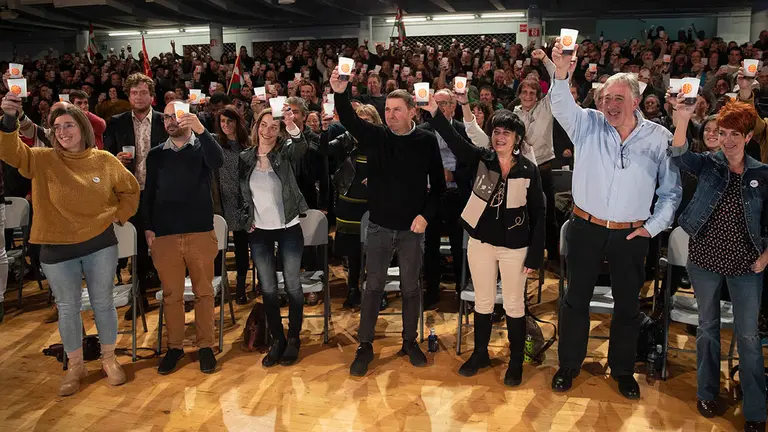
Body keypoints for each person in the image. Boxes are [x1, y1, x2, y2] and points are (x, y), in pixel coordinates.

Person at [549, 37, 682, 399]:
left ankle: (623, 370)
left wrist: (651, 229)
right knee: (575, 300)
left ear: (636, 102)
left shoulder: (659, 138)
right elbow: (561, 106)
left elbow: (671, 193)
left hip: (631, 235)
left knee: (626, 305)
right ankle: (569, 365)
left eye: (618, 98)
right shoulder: (587, 124)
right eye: (606, 98)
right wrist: (561, 73)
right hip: (585, 227)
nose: (609, 104)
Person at [0, 95, 139, 395]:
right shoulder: (41, 159)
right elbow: (9, 151)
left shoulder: (105, 160)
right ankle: (75, 366)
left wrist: (119, 214)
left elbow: (130, 190)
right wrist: (9, 119)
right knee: (67, 308)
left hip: (100, 244)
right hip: (56, 248)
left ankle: (108, 359)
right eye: (57, 127)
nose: (62, 132)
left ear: (84, 127)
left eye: (69, 125)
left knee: (103, 304)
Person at [330, 68, 446, 378]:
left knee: (410, 288)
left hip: (411, 229)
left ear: (412, 112)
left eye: (396, 110)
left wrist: (425, 216)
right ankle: (364, 345)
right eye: (387, 110)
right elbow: (350, 119)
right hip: (379, 226)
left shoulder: (425, 140)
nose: (390, 115)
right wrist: (341, 91)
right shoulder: (376, 136)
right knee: (373, 288)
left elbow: (438, 187)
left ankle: (410, 341)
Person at [423, 95, 545, 386]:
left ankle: (515, 361)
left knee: (514, 305)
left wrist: (535, 255)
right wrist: (435, 113)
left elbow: (540, 213)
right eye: (497, 131)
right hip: (481, 242)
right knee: (483, 301)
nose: (500, 136)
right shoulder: (482, 158)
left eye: (507, 132)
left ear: (517, 139)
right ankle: (480, 353)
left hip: (516, 247)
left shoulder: (528, 169)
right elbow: (454, 140)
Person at [670, 98, 768, 432]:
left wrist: (767, 254)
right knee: (707, 328)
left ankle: (756, 409)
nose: (727, 140)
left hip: (746, 266)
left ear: (748, 137)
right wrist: (682, 119)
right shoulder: (710, 164)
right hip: (705, 260)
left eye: (734, 135)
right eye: (722, 133)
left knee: (748, 337)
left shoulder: (761, 174)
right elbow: (679, 155)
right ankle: (707, 392)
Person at [144, 101, 223, 375]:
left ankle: (205, 346)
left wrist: (202, 131)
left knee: (204, 292)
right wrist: (148, 227)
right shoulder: (156, 155)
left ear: (187, 117)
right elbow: (149, 192)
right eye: (165, 117)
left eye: (174, 116)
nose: (169, 121)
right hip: (165, 234)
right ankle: (174, 347)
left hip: (200, 231)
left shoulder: (202, 148)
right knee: (172, 296)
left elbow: (219, 162)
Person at [239, 106, 308, 368]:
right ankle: (276, 339)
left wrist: (291, 125)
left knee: (293, 287)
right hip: (260, 232)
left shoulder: (285, 153)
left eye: (273, 127)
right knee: (268, 289)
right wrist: (245, 222)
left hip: (289, 227)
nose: (268, 131)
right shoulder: (245, 158)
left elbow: (301, 147)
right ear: (256, 127)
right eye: (264, 125)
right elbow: (237, 195)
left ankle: (293, 338)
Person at [104, 73, 168, 319]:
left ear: (152, 96)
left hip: (161, 193)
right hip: (130, 193)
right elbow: (106, 157)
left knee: (165, 245)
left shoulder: (165, 121)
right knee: (137, 248)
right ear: (128, 96)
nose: (139, 96)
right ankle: (139, 298)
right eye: (134, 93)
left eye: (143, 92)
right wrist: (116, 159)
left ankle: (171, 294)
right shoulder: (116, 122)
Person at [324, 104, 381, 308]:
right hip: (349, 204)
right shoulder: (346, 139)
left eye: (368, 120)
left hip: (375, 204)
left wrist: (378, 178)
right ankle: (353, 290)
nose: (363, 124)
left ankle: (375, 292)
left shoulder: (382, 140)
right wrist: (323, 130)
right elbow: (323, 150)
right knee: (353, 253)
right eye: (360, 120)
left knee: (376, 252)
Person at [417, 89, 470, 307]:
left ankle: (461, 288)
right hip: (432, 194)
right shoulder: (422, 131)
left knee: (459, 245)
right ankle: (432, 290)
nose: (437, 107)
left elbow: (472, 164)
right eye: (434, 103)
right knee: (430, 245)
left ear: (452, 107)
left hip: (457, 193)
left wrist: (454, 175)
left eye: (442, 103)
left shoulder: (463, 130)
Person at [212, 106, 251, 304]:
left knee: (242, 247)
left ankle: (242, 287)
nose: (226, 125)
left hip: (243, 201)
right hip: (221, 200)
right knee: (218, 248)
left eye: (230, 121)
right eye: (222, 122)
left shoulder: (247, 144)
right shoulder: (216, 143)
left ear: (237, 122)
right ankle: (220, 287)